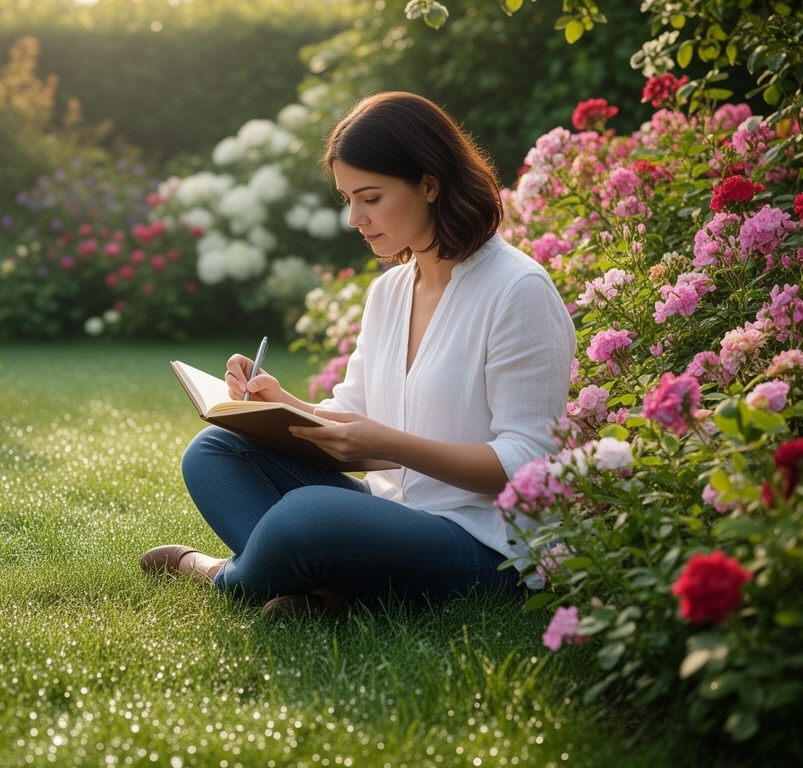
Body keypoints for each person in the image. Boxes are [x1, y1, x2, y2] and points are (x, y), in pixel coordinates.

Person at [140, 91, 576, 618]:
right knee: (216, 450)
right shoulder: (390, 291)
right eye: (348, 198)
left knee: (308, 517)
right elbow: (355, 421)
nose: (354, 218)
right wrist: (280, 403)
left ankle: (216, 572)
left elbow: (529, 463)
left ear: (430, 184)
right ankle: (329, 591)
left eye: (370, 198)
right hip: (391, 514)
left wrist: (392, 444)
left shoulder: (517, 290)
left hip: (487, 545)